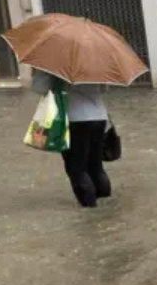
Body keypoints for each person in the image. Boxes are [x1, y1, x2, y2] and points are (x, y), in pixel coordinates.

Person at [31, 70, 111, 208]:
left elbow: (40, 88)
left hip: (74, 118)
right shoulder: (95, 61)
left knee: (77, 168)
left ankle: (89, 209)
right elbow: (104, 88)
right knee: (95, 165)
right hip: (99, 116)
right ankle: (106, 204)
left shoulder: (56, 64)